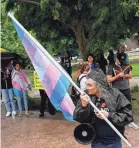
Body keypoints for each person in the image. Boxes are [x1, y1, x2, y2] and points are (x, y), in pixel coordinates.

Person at [74, 69, 133, 148]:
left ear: (99, 85)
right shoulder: (86, 96)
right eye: (86, 84)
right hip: (97, 142)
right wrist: (84, 106)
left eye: (89, 85)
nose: (86, 87)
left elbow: (128, 116)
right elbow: (78, 118)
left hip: (114, 140)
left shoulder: (115, 95)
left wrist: (109, 115)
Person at [107, 54, 139, 129]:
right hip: (116, 90)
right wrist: (118, 76)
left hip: (126, 89)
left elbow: (130, 76)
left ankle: (130, 122)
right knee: (118, 106)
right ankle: (120, 122)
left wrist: (124, 75)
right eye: (119, 59)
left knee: (128, 105)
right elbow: (109, 80)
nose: (121, 61)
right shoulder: (111, 66)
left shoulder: (126, 65)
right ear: (116, 59)